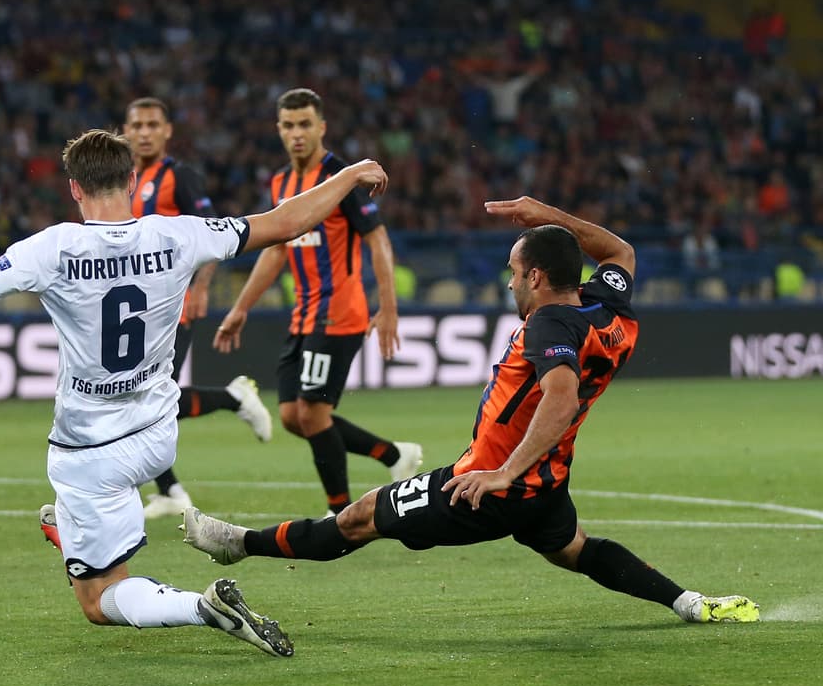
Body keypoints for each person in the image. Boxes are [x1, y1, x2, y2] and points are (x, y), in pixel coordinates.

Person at [0, 129, 391, 657]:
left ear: (74, 188)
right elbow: (285, 221)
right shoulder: (178, 232)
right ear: (131, 182)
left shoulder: (54, 248)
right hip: (158, 436)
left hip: (89, 452)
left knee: (98, 602)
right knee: (81, 522)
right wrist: (346, 175)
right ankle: (67, 528)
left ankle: (204, 607)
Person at [183, 196, 760, 626]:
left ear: (536, 277)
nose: (510, 282)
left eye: (514, 271)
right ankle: (687, 602)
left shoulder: (549, 324)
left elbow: (559, 397)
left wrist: (502, 472)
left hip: (483, 484)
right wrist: (546, 215)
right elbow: (620, 251)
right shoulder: (606, 306)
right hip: (547, 481)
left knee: (358, 519)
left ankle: (238, 541)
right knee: (575, 549)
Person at [214, 88, 422, 516]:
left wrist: (389, 307)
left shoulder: (340, 178)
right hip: (304, 314)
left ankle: (340, 512)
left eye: (305, 124)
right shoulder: (281, 182)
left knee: (312, 413)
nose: (297, 134)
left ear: (321, 127)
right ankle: (393, 455)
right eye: (288, 126)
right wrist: (241, 307)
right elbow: (275, 250)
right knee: (292, 415)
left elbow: (377, 238)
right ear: (278, 129)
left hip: (339, 312)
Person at [122, 97, 273, 520]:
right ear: (126, 131)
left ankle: (232, 398)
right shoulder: (128, 181)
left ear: (168, 130)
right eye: (138, 125)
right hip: (142, 310)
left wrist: (202, 284)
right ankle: (170, 489)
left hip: (176, 302)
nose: (145, 132)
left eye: (154, 124)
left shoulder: (179, 176)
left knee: (149, 400)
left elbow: (208, 233)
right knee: (143, 399)